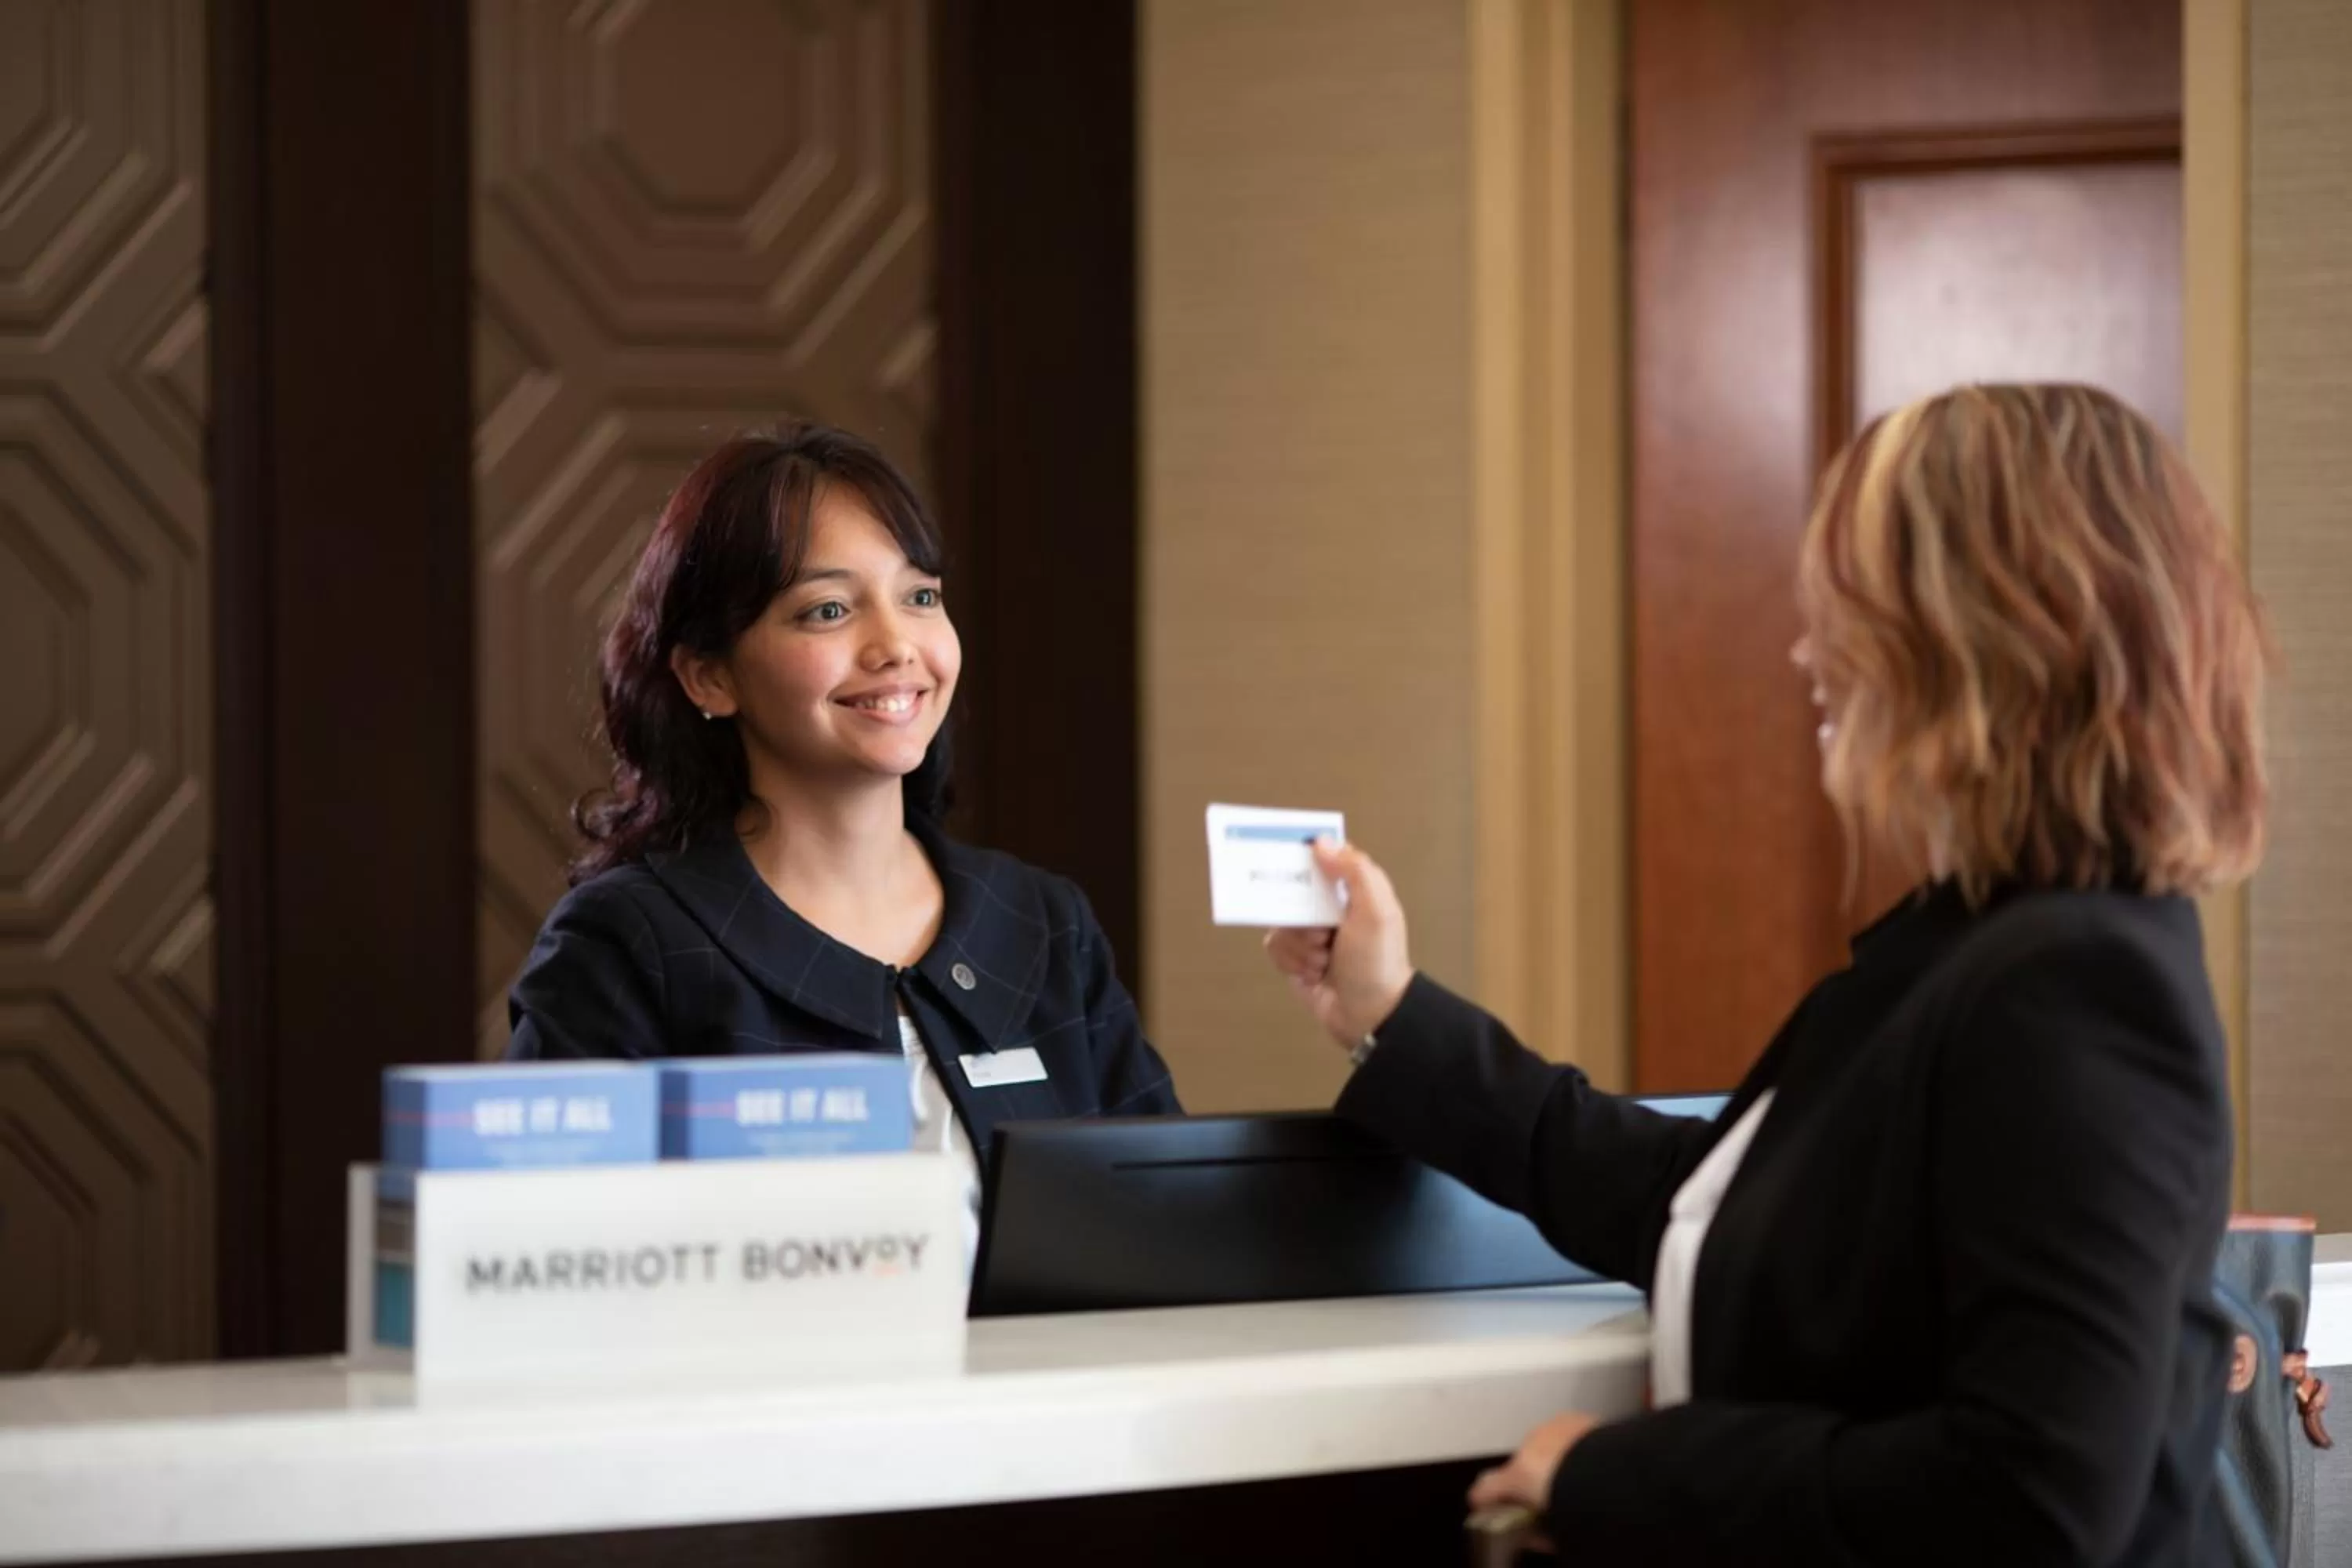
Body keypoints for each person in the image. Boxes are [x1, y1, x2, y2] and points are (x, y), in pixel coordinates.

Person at [1268, 383, 2263, 1566]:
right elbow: (1706, 1206)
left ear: (1981, 632)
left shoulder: (2074, 987)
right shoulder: (1979, 950)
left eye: (1848, 603)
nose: (1806, 651)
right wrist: (1390, 1013)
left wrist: (1614, 1474)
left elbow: (2027, 1500)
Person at [508, 420, 1181, 1241]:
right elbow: (552, 1259)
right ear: (709, 676)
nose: (896, 646)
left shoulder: (1044, 923)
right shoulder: (627, 944)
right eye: (828, 610)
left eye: (920, 597)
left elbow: (1169, 1236)